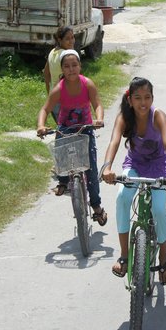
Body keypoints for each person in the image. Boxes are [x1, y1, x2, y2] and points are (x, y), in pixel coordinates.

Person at [100, 77, 166, 285]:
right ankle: (124, 255)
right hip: (134, 165)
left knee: (159, 210)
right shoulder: (124, 117)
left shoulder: (158, 116)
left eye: (147, 97)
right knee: (122, 197)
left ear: (153, 98)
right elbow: (114, 141)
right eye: (137, 98)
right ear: (130, 100)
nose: (143, 102)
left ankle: (164, 257)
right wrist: (107, 167)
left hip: (159, 169)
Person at [37, 49, 108, 225]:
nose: (71, 69)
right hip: (65, 129)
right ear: (62, 69)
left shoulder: (88, 84)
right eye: (67, 66)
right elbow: (45, 109)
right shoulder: (59, 89)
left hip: (85, 129)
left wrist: (99, 119)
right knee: (60, 154)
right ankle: (62, 181)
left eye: (74, 65)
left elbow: (97, 104)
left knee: (91, 171)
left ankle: (96, 206)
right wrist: (41, 125)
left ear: (80, 66)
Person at [43, 26, 75, 123]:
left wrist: (50, 93)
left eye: (72, 37)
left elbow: (46, 73)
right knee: (71, 131)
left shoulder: (52, 52)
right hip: (65, 99)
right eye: (67, 39)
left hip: (54, 98)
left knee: (62, 129)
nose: (71, 41)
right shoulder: (66, 55)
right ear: (59, 40)